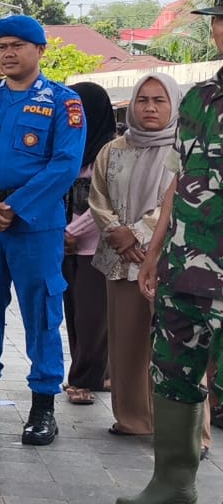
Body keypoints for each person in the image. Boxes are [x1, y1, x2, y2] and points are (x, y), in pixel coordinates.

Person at [0, 14, 85, 447]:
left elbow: (65, 164)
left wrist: (15, 206)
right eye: (2, 47)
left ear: (40, 51)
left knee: (42, 313)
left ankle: (43, 406)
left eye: (17, 46)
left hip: (34, 225)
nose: (7, 54)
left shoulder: (64, 103)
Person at [121, 0, 223, 504]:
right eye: (220, 19)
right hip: (185, 271)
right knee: (174, 376)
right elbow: (177, 184)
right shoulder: (200, 97)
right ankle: (171, 486)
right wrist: (156, 252)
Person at [88, 74, 186, 436]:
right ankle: (133, 419)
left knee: (176, 351)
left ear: (174, 104)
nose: (149, 107)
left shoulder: (186, 148)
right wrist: (119, 234)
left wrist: (141, 234)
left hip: (170, 261)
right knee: (126, 344)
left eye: (159, 101)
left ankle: (186, 431)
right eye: (142, 100)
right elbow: (98, 197)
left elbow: (179, 202)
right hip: (122, 261)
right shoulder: (114, 149)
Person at [60, 83, 115, 406]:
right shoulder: (68, 146)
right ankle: (92, 373)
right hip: (66, 247)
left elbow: (105, 203)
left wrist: (72, 232)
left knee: (93, 317)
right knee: (76, 315)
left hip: (96, 247)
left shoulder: (110, 151)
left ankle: (82, 379)